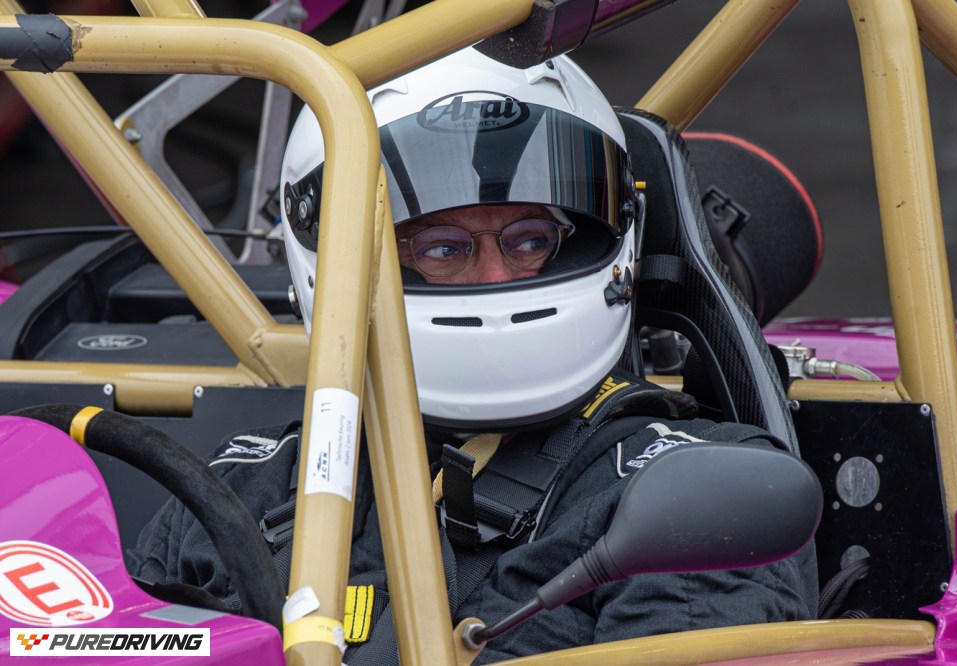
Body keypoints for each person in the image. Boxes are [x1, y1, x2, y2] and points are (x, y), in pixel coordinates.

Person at [128, 47, 817, 663]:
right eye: (443, 249)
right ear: (342, 261)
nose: (495, 277)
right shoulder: (235, 490)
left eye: (530, 240)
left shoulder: (692, 492)